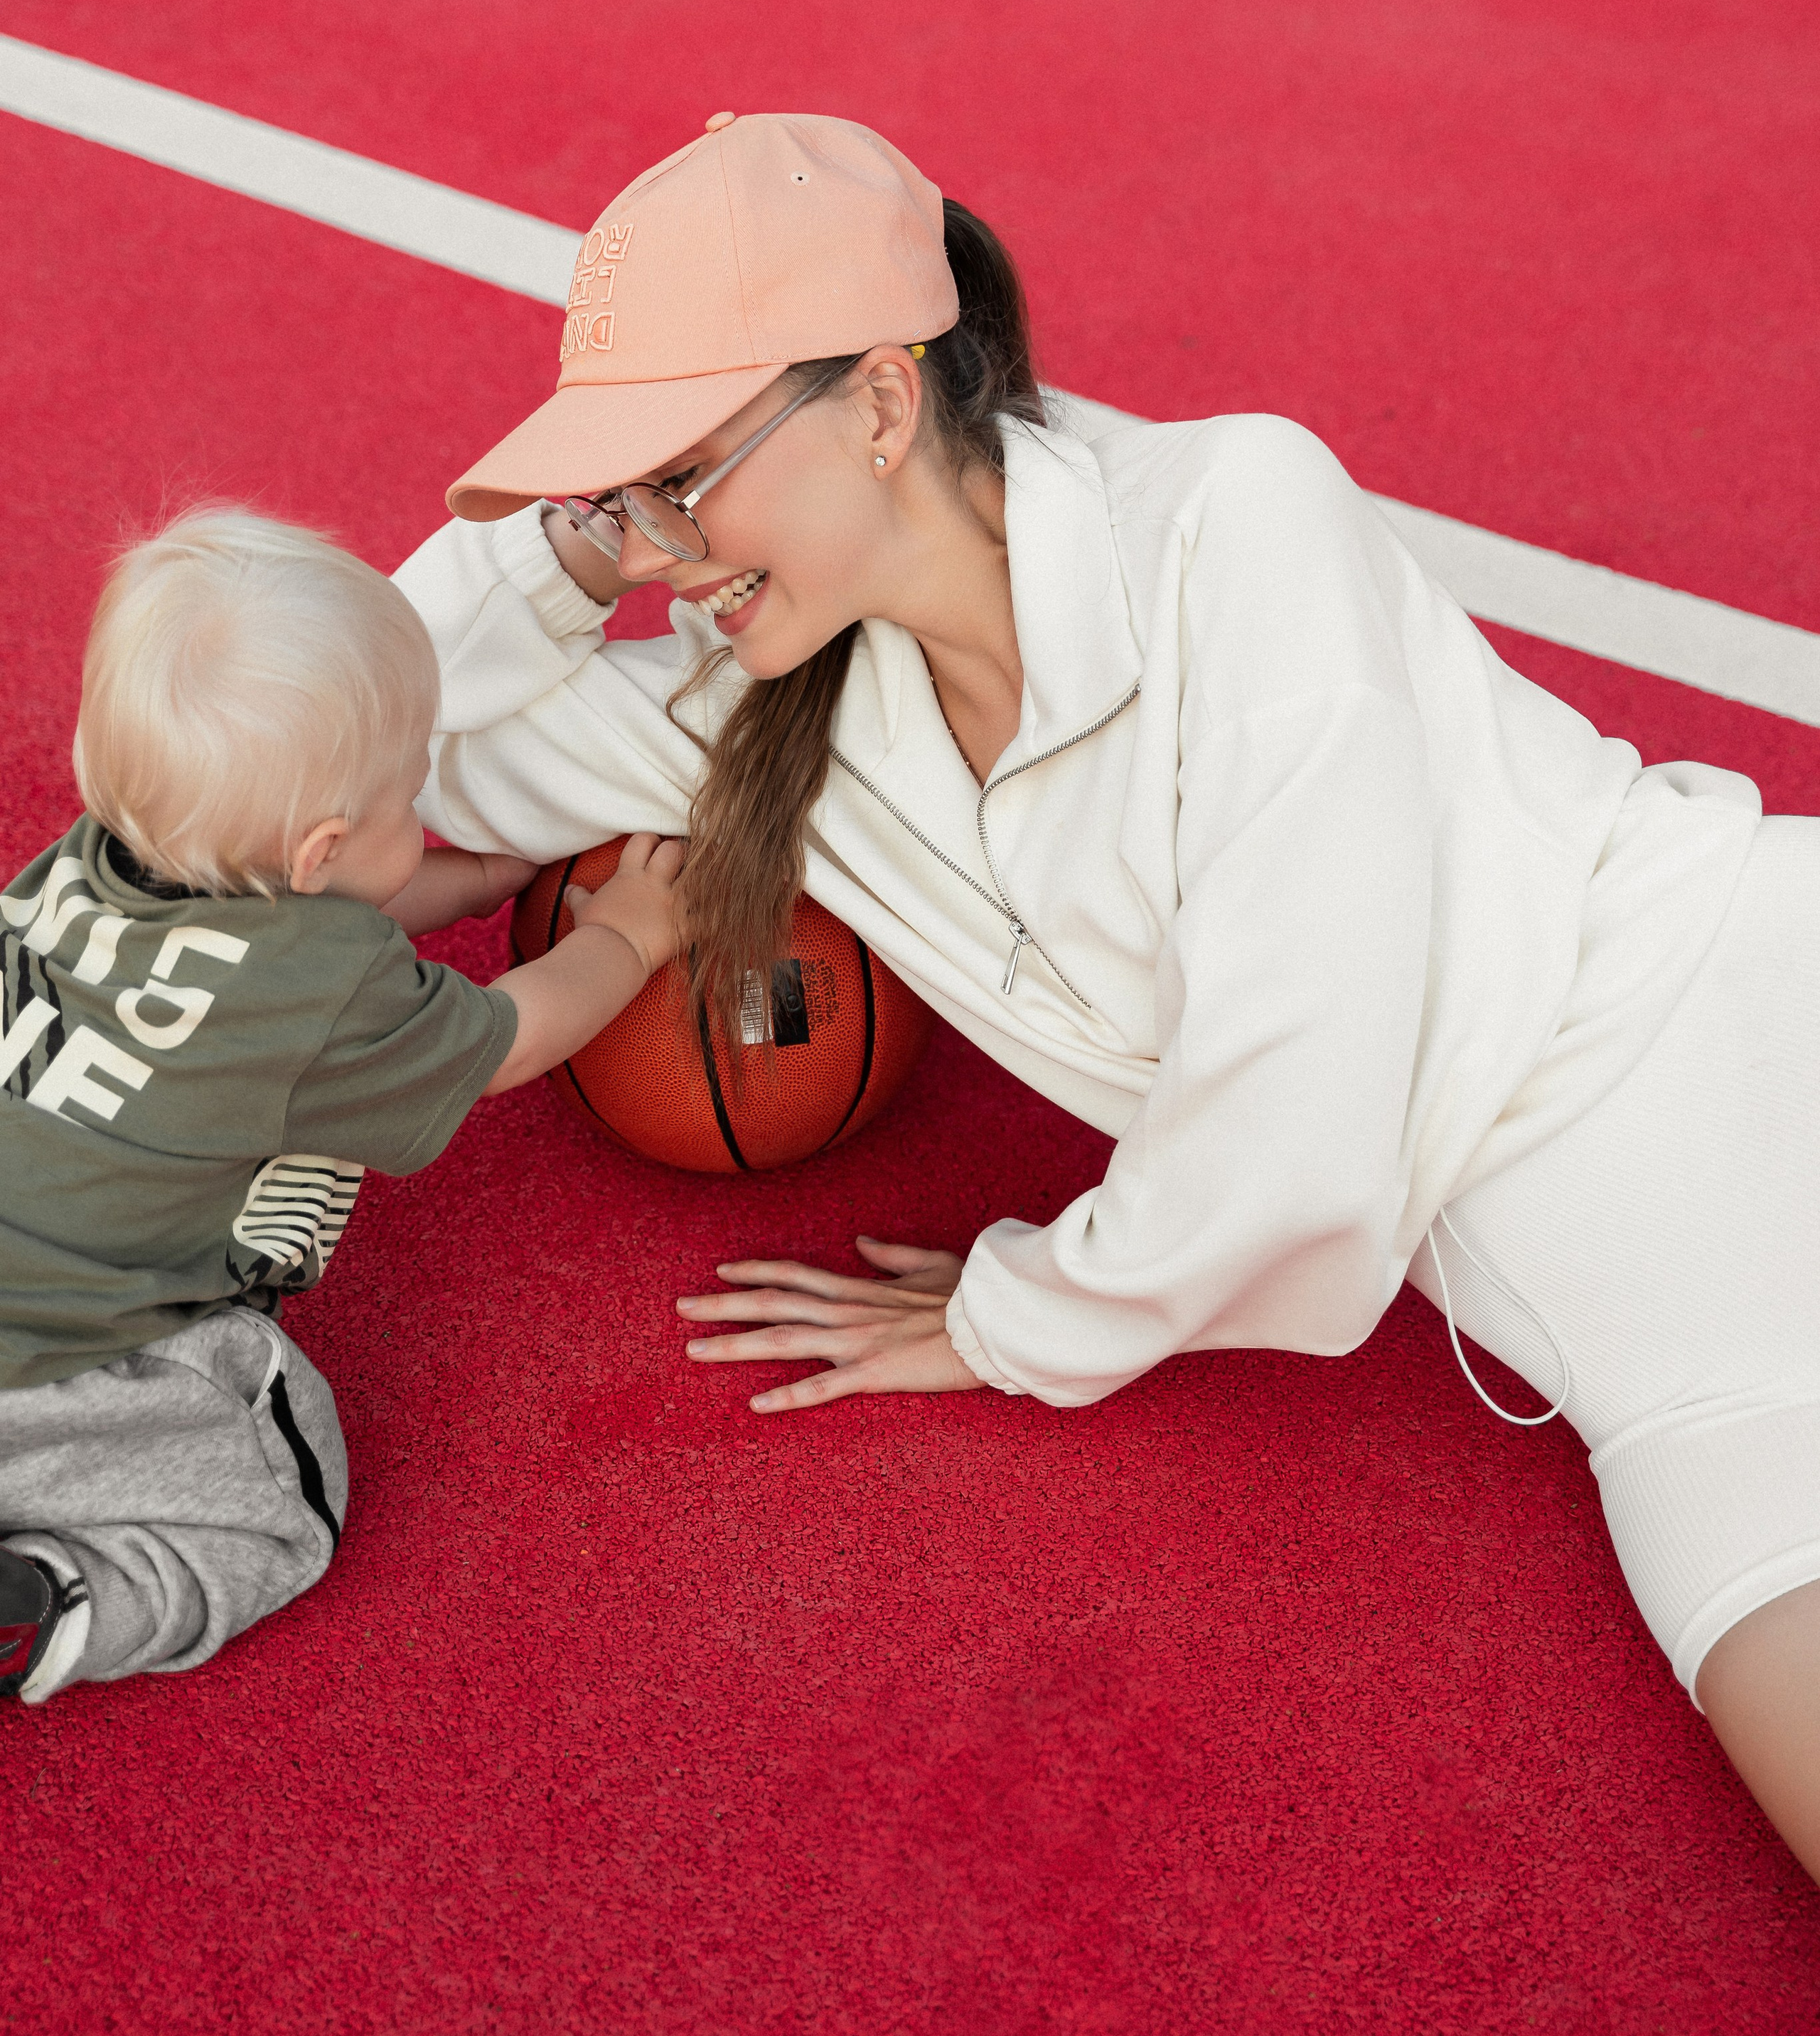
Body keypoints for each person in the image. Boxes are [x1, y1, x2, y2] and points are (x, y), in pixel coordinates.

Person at [394, 109, 1820, 1881]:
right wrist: (567, 554)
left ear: (883, 403)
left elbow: (1294, 1125)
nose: (661, 547)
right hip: (1664, 1373)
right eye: (619, 498)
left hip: (1761, 1013)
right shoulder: (744, 715)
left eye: (679, 476)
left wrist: (1022, 1314)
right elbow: (346, 782)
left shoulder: (1236, 515)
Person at [0, 510, 683, 1702]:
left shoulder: (81, 865)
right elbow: (509, 1039)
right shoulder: (324, 999)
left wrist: (481, 877)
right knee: (282, 1492)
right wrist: (628, 938)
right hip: (62, 1379)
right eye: (408, 791)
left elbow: (298, 933)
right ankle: (78, 1593)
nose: (422, 806)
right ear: (319, 850)